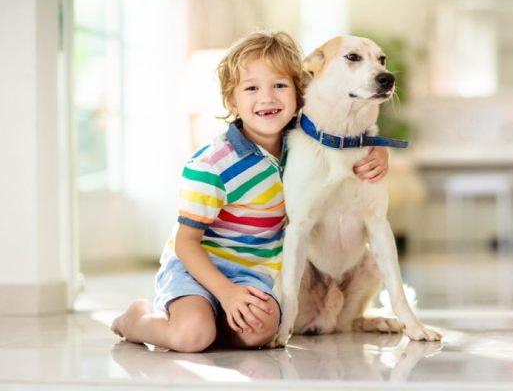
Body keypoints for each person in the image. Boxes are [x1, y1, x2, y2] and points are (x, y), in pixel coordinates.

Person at [111, 30, 390, 352]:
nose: (267, 98)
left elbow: (347, 143)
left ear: (301, 94)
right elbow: (186, 245)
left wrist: (377, 151)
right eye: (252, 88)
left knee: (260, 332)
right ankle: (136, 320)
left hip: (251, 276)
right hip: (198, 271)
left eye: (280, 86)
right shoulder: (212, 164)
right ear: (232, 100)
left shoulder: (302, 146)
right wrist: (226, 293)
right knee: (192, 337)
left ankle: (211, 320)